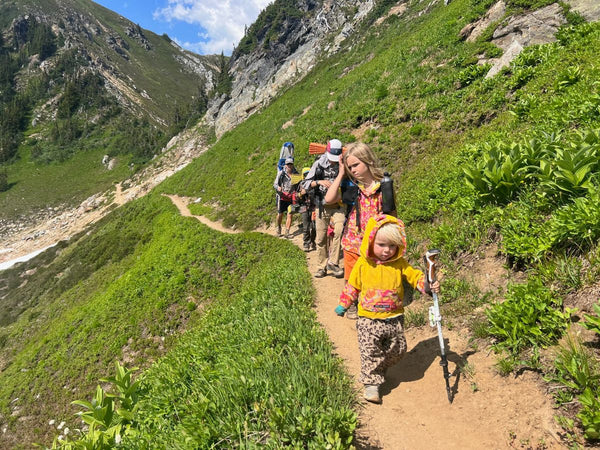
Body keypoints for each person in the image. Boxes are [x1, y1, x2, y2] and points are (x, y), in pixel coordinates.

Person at [334, 215, 440, 404]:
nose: (387, 251)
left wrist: (427, 285)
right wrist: (344, 303)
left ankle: (380, 367)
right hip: (368, 319)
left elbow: (414, 276)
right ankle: (371, 384)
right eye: (382, 245)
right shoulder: (364, 264)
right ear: (370, 241)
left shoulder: (399, 264)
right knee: (370, 351)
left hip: (394, 318)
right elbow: (352, 286)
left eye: (392, 246)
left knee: (398, 350)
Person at [325, 142, 395, 318]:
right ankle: (351, 304)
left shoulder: (383, 187)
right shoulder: (352, 188)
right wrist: (341, 173)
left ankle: (373, 302)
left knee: (373, 276)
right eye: (350, 167)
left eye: (356, 165)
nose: (353, 170)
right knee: (351, 276)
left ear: (368, 160)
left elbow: (392, 215)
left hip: (374, 243)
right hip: (352, 241)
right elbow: (329, 198)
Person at [302, 139, 346, 278]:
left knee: (339, 230)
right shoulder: (318, 164)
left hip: (339, 205)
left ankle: (333, 262)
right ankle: (321, 267)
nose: (333, 162)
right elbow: (305, 184)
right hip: (321, 205)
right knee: (320, 239)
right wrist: (318, 182)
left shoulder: (343, 165)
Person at [273, 158, 298, 238]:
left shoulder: (296, 174)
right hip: (282, 197)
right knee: (280, 214)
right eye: (288, 164)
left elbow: (298, 185)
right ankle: (279, 228)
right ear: (285, 165)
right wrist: (278, 188)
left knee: (290, 214)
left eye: (291, 164)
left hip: (291, 197)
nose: (289, 166)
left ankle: (287, 232)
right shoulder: (281, 173)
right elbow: (275, 184)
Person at [297, 167, 316, 252]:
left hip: (314, 207)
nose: (307, 175)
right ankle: (306, 244)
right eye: (305, 174)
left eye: (308, 174)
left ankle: (312, 241)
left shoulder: (314, 183)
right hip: (304, 207)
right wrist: (301, 194)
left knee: (315, 227)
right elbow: (295, 196)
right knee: (306, 227)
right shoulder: (300, 184)